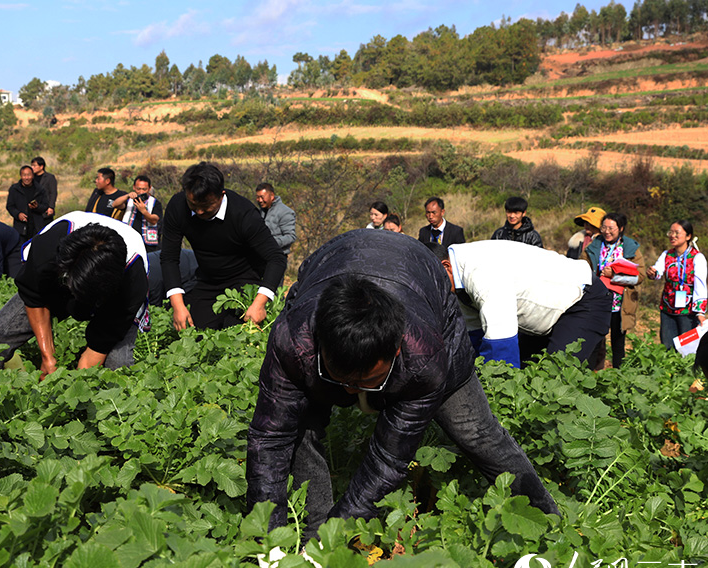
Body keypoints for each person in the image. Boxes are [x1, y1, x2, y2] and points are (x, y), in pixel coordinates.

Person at [246, 230, 559, 539]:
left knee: (474, 429)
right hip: (334, 259)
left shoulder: (424, 356)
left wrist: (338, 531)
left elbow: (388, 458)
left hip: (420, 279)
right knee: (301, 424)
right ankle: (314, 532)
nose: (352, 393)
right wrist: (266, 539)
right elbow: (270, 437)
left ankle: (549, 521)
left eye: (365, 381)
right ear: (321, 346)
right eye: (340, 378)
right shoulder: (295, 341)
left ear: (396, 350)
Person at [0, 211, 149, 377]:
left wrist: (73, 390)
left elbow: (98, 348)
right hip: (57, 279)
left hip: (115, 294)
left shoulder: (132, 283)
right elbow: (34, 296)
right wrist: (48, 357)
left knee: (117, 364)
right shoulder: (48, 249)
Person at [425, 240, 610, 368]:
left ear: (445, 266)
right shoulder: (457, 278)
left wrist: (494, 394)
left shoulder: (481, 273)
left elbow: (501, 343)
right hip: (544, 314)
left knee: (554, 379)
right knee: (528, 372)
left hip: (581, 301)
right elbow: (475, 335)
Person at [160, 162, 286, 330]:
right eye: (193, 205)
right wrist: (177, 305)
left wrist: (259, 302)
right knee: (195, 329)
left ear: (221, 195)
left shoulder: (243, 214)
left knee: (235, 332)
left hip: (246, 278)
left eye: (206, 206)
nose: (199, 212)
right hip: (208, 279)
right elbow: (169, 257)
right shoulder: (177, 207)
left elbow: (276, 258)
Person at [582, 212, 644, 369]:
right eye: (604, 227)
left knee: (618, 343)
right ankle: (591, 376)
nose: (607, 231)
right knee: (594, 341)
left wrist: (615, 276)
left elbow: (640, 276)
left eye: (611, 228)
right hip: (597, 302)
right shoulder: (594, 246)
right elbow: (582, 269)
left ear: (621, 228)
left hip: (619, 304)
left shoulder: (631, 248)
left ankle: (619, 378)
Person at [647, 220, 707, 349]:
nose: (672, 235)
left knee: (687, 348)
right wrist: (653, 273)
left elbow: (700, 286)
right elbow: (658, 270)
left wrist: (700, 312)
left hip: (688, 311)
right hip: (668, 307)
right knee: (667, 346)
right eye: (670, 232)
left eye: (677, 233)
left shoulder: (697, 258)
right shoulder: (666, 255)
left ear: (688, 236)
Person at [256, 182, 297, 282]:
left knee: (274, 291)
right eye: (257, 197)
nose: (260, 200)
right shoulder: (260, 211)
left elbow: (290, 236)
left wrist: (269, 243)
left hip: (276, 257)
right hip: (260, 257)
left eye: (262, 197)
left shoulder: (285, 212)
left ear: (272, 196)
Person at [112, 175, 163, 252]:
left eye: (144, 189)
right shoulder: (129, 200)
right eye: (138, 189)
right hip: (129, 241)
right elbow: (115, 204)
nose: (141, 192)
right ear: (134, 187)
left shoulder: (154, 202)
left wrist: (144, 212)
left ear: (149, 188)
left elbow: (154, 220)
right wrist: (127, 196)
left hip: (147, 244)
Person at [6, 165, 48, 242]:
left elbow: (45, 206)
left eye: (29, 175)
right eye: (24, 175)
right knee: (21, 249)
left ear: (32, 175)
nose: (27, 178)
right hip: (20, 227)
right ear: (21, 176)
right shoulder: (14, 189)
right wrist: (18, 214)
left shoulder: (40, 189)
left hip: (37, 226)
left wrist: (37, 207)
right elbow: (10, 206)